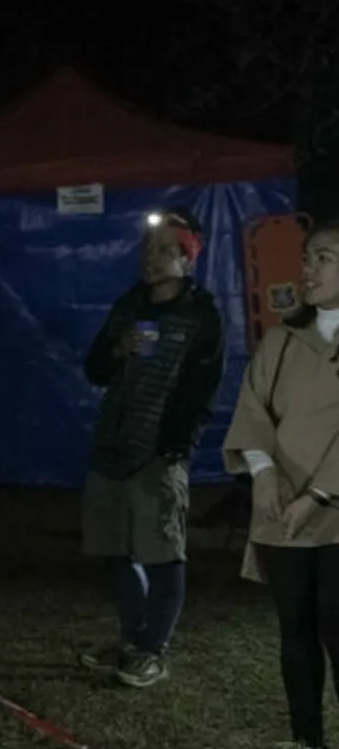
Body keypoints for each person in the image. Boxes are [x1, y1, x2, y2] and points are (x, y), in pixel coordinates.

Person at [77, 210, 224, 689]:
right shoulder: (129, 306)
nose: (151, 259)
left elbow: (203, 388)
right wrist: (118, 348)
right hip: (112, 449)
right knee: (113, 550)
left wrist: (173, 447)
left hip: (159, 452)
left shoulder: (201, 315)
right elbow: (95, 369)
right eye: (147, 249)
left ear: (187, 259)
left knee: (161, 553)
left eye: (165, 250)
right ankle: (133, 639)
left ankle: (153, 649)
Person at [225, 220, 339, 749]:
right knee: (294, 631)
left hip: (332, 515)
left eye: (324, 257)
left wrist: (317, 495)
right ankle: (308, 744)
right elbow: (252, 409)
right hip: (282, 514)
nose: (308, 269)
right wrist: (264, 471)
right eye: (307, 257)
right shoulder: (281, 340)